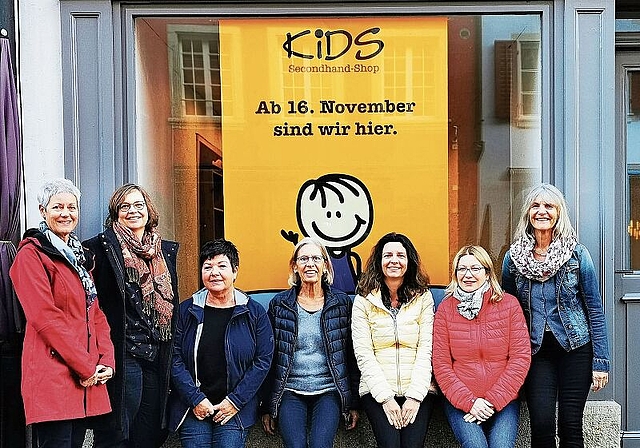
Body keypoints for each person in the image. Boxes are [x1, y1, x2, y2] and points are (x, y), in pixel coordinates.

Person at [501, 183, 611, 448]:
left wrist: (601, 361)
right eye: (535, 206)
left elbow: (594, 309)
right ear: (528, 213)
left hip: (576, 350)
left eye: (549, 206)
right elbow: (507, 311)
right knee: (541, 427)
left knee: (571, 425)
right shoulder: (513, 258)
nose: (542, 211)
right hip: (536, 352)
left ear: (559, 213)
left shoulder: (577, 255)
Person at [9, 178, 115, 447]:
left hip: (85, 376)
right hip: (53, 375)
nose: (66, 213)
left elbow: (96, 313)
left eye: (72, 207)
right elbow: (45, 318)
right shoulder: (31, 255)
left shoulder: (79, 256)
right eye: (57, 207)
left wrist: (106, 361)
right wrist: (87, 366)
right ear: (43, 211)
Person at [83, 183, 179, 448]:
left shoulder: (164, 251)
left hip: (157, 352)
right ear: (116, 214)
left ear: (149, 210)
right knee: (117, 432)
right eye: (125, 206)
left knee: (151, 431)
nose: (133, 211)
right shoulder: (98, 249)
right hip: (122, 353)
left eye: (139, 205)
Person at [168, 239, 274, 448]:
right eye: (207, 267)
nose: (214, 272)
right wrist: (195, 399)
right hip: (193, 405)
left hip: (235, 406)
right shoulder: (186, 311)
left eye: (222, 266)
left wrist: (235, 401)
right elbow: (174, 357)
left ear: (235, 271)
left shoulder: (253, 312)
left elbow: (263, 360)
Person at [260, 237, 360, 448]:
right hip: (290, 390)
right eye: (303, 258)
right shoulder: (280, 305)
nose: (310, 264)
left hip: (328, 390)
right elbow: (269, 357)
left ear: (325, 265)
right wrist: (267, 407)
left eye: (316, 258)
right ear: (295, 266)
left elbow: (351, 355)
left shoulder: (341, 304)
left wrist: (353, 403)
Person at [433, 245, 530, 448]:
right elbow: (441, 364)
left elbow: (520, 358)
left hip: (503, 400)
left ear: (487, 273)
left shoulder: (508, 304)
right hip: (461, 400)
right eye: (462, 269)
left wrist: (492, 401)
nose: (468, 275)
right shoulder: (446, 309)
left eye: (475, 269)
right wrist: (470, 402)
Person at [351, 232, 436, 448]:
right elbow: (364, 354)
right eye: (388, 255)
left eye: (401, 255)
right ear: (379, 261)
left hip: (418, 388)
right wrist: (386, 399)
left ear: (410, 261)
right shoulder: (364, 299)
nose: (394, 260)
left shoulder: (423, 297)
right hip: (376, 389)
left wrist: (415, 397)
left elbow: (426, 349)